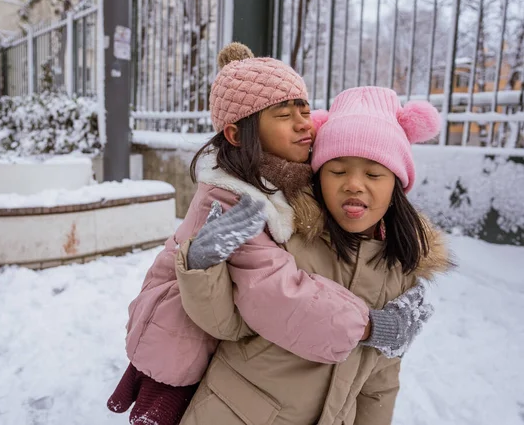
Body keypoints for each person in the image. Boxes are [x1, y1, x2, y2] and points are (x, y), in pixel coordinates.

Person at [107, 44, 434, 425]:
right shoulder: (236, 198)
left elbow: (378, 383)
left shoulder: (288, 191)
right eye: (284, 114)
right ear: (237, 134)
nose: (303, 124)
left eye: (306, 111)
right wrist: (373, 326)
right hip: (195, 349)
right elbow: (270, 296)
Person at [174, 85, 452, 425]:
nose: (353, 184)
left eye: (374, 173)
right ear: (319, 177)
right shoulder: (288, 232)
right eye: (337, 171)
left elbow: (378, 384)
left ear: (397, 183)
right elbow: (226, 324)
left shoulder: (401, 265)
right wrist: (204, 267)